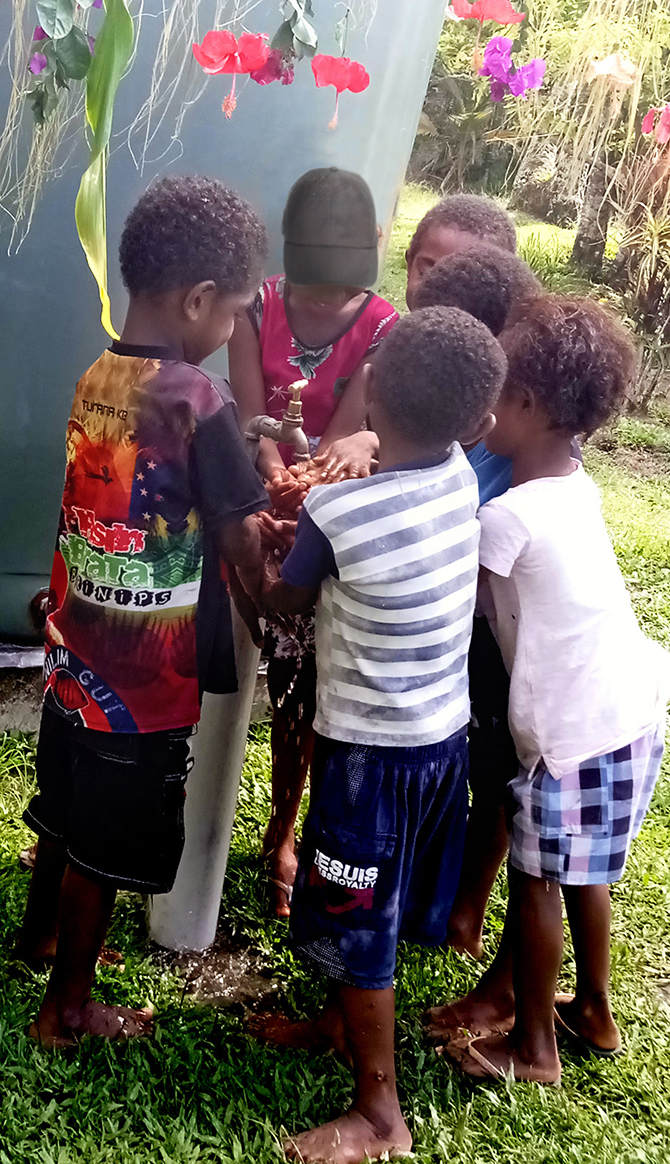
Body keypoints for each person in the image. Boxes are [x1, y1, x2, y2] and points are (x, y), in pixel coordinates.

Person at [14, 175, 270, 1046]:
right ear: (199, 300)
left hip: (76, 654)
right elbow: (243, 541)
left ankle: (41, 934)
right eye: (234, 312)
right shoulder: (199, 400)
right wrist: (281, 587)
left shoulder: (100, 371)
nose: (233, 329)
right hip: (145, 680)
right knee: (107, 844)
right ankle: (69, 1008)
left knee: (66, 805)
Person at [253, 307, 507, 1163]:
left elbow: (284, 598)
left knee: (363, 922)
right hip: (442, 744)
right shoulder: (462, 476)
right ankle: (333, 1023)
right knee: (376, 900)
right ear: (478, 425)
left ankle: (379, 1116)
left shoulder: (337, 513)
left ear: (370, 393)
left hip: (368, 758)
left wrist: (252, 548)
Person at [434, 296, 669, 1085]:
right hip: (630, 716)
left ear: (525, 405)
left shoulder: (506, 518)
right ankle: (594, 1012)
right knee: (583, 874)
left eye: (493, 394)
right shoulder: (578, 487)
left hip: (568, 741)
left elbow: (447, 596)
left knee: (536, 882)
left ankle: (533, 1049)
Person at [228, 166, 398, 917]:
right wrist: (270, 464)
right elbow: (243, 414)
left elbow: (336, 445)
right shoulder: (255, 307)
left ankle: (281, 830)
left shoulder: (383, 326)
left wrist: (299, 484)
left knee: (301, 679)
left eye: (340, 289)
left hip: (321, 511)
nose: (326, 302)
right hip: (247, 493)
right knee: (209, 659)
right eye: (313, 286)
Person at [410, 245, 543, 959]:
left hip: (494, 632)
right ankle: (425, 890)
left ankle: (466, 909)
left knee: (491, 776)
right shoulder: (441, 419)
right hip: (440, 622)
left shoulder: (522, 438)